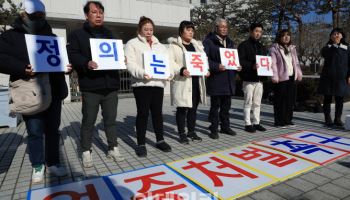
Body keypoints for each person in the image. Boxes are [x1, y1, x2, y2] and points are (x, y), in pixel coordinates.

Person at [0, 0, 70, 183]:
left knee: (53, 130)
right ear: (24, 14)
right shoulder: (11, 36)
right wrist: (22, 68)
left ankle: (53, 162)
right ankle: (37, 165)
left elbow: (60, 62)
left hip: (53, 90)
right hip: (29, 91)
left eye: (42, 16)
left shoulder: (52, 37)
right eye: (34, 16)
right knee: (35, 130)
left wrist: (66, 67)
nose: (39, 19)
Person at [67, 1, 124, 168]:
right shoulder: (77, 35)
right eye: (94, 12)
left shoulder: (110, 34)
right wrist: (86, 62)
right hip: (91, 86)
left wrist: (121, 59)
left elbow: (115, 54)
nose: (98, 15)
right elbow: (72, 54)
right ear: (86, 15)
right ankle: (86, 150)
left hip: (110, 85)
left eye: (101, 12)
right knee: (89, 120)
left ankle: (113, 147)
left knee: (110, 120)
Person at [125, 16, 172, 157]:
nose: (149, 32)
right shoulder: (132, 43)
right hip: (141, 84)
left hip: (157, 84)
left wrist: (168, 74)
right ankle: (141, 143)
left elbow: (166, 63)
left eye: (151, 29)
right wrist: (141, 73)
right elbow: (130, 63)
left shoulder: (160, 46)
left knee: (158, 113)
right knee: (143, 113)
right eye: (145, 29)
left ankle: (160, 140)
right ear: (140, 29)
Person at [168, 21, 210, 144]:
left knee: (193, 109)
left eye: (192, 30)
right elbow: (170, 62)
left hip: (196, 81)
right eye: (188, 29)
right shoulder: (174, 46)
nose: (191, 32)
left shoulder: (197, 46)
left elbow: (203, 60)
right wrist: (180, 70)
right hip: (183, 82)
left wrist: (206, 70)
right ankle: (182, 133)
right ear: (181, 31)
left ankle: (191, 131)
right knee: (182, 109)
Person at [203, 18, 239, 139]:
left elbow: (233, 59)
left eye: (226, 27)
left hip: (229, 79)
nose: (224, 29)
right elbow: (204, 59)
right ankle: (214, 129)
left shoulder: (230, 42)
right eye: (221, 26)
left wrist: (237, 66)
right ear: (216, 28)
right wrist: (215, 66)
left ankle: (225, 127)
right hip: (216, 79)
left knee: (226, 106)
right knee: (215, 107)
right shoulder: (209, 41)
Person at [238, 23, 268, 133]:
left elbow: (265, 61)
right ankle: (247, 123)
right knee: (248, 102)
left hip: (260, 79)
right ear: (250, 31)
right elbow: (240, 61)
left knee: (257, 103)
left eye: (260, 32)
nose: (258, 33)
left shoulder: (262, 47)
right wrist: (252, 66)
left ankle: (256, 122)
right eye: (256, 31)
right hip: (248, 78)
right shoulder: (243, 45)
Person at [317, 28, 350, 127]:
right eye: (333, 34)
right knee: (327, 98)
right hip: (328, 77)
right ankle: (328, 118)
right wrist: (335, 45)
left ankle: (338, 119)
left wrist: (349, 75)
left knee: (340, 99)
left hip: (341, 77)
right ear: (330, 36)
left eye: (338, 34)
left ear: (342, 36)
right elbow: (325, 54)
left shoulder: (347, 48)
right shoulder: (327, 47)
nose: (336, 35)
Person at [270, 29, 303, 127]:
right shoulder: (274, 48)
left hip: (291, 77)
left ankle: (288, 120)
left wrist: (299, 73)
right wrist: (274, 76)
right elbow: (273, 64)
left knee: (289, 100)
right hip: (280, 78)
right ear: (279, 37)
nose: (286, 37)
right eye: (284, 35)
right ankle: (279, 121)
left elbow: (296, 63)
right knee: (280, 100)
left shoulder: (292, 48)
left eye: (288, 35)